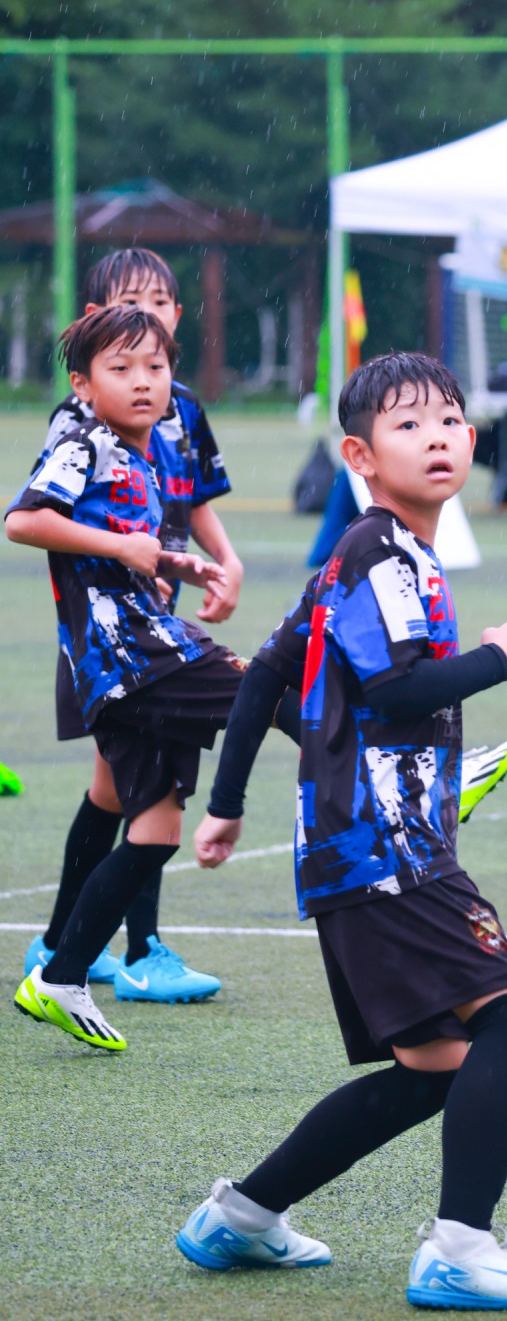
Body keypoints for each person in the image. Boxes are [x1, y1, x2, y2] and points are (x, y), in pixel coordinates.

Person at [176, 353, 507, 1312]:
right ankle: (459, 1251)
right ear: (360, 454)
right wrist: (500, 656)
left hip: (359, 851)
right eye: (408, 425)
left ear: (473, 442)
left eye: (449, 419)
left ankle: (238, 1217)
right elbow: (397, 691)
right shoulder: (381, 554)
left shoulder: (358, 557)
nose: (436, 435)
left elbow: (266, 674)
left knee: (430, 1069)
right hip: (390, 849)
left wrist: (230, 802)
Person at [7, 305, 300, 1052]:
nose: (143, 382)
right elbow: (25, 521)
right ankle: (410, 765)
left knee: (155, 830)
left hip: (131, 654)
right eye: (121, 368)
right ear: (82, 384)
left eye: (156, 368)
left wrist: (176, 561)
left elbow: (120, 552)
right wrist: (127, 548)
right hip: (131, 654)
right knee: (265, 684)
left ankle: (61, 976)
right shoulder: (84, 442)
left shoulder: (142, 456)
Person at [22, 247, 242, 1006]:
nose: (149, 315)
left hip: (158, 616)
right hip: (110, 636)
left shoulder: (180, 407)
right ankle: (131, 949)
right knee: (131, 787)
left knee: (128, 796)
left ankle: (63, 954)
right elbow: (31, 519)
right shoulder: (83, 426)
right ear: (92, 331)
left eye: (161, 302)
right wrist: (123, 549)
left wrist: (220, 561)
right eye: (130, 304)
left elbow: (196, 498)